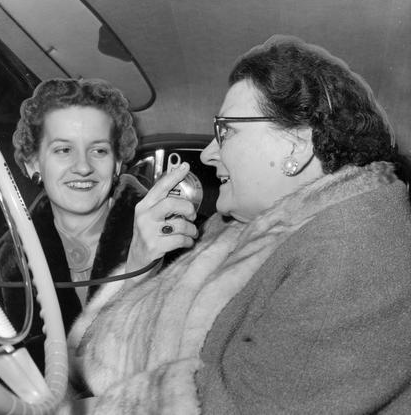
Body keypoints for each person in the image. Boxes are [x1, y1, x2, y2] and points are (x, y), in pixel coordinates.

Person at [63, 35, 411, 414]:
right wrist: (138, 265)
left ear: (295, 147)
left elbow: (244, 406)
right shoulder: (236, 229)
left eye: (226, 130)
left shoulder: (359, 245)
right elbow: (96, 362)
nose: (210, 153)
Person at [0, 77, 198, 366]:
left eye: (99, 150)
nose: (83, 167)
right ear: (33, 162)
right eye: (63, 150)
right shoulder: (9, 260)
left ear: (118, 162)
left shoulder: (178, 235)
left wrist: (139, 271)